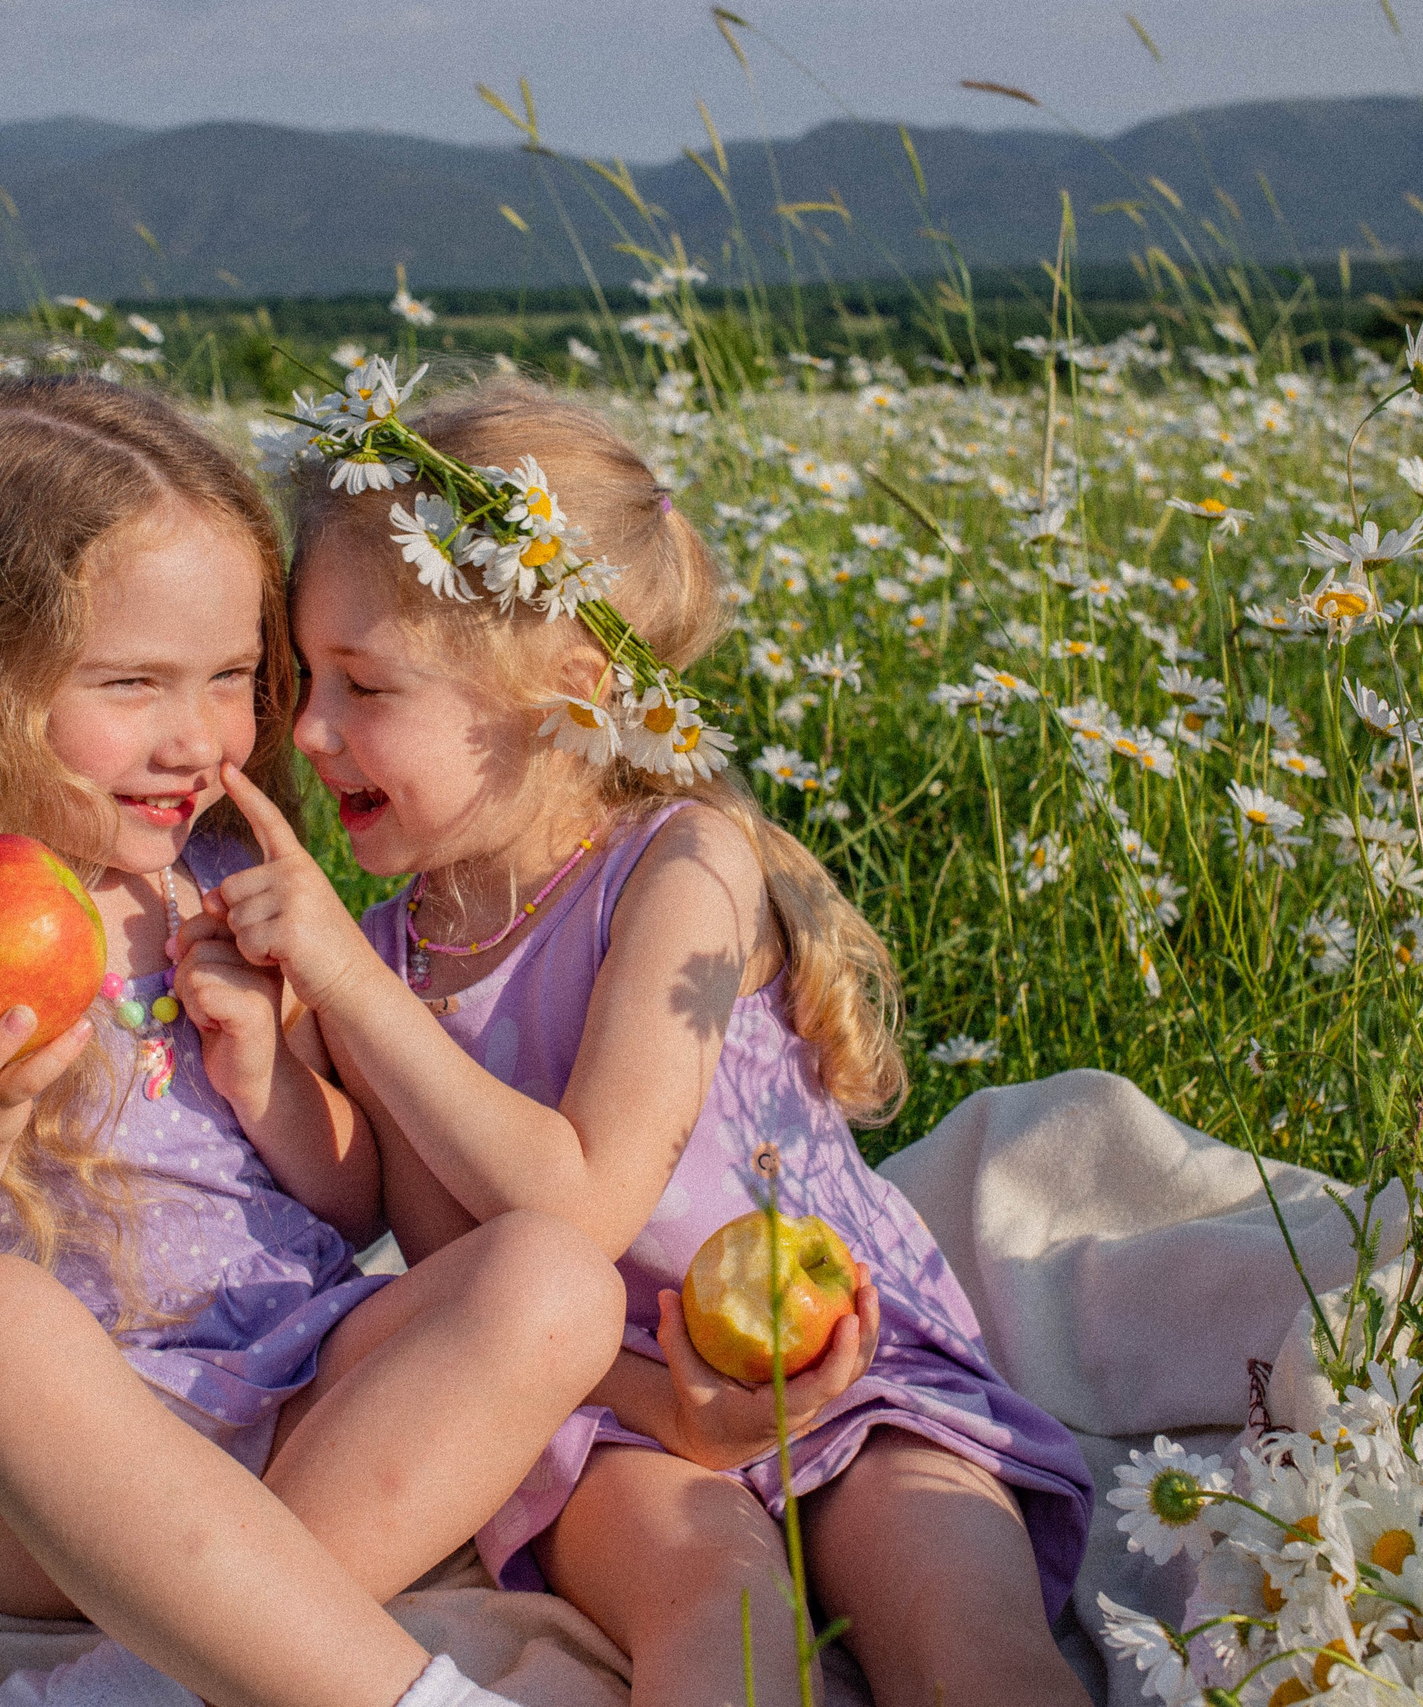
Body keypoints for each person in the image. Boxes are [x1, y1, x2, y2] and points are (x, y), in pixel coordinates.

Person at [189, 373, 1095, 1707]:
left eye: (363, 683)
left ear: (568, 693)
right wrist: (279, 1053)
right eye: (301, 679)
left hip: (842, 1363)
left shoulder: (684, 868)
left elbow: (586, 1191)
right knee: (723, 1615)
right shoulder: (388, 957)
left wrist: (344, 987)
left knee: (963, 1632)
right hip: (606, 1408)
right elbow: (459, 1256)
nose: (310, 731)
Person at [0, 376, 624, 1707]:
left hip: (284, 1397)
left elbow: (348, 1198)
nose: (199, 736)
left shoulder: (214, 871)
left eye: (229, 679)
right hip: (29, 1477)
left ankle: (171, 1673)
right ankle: (394, 1695)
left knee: (558, 1279)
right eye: (132, 683)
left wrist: (273, 1081)